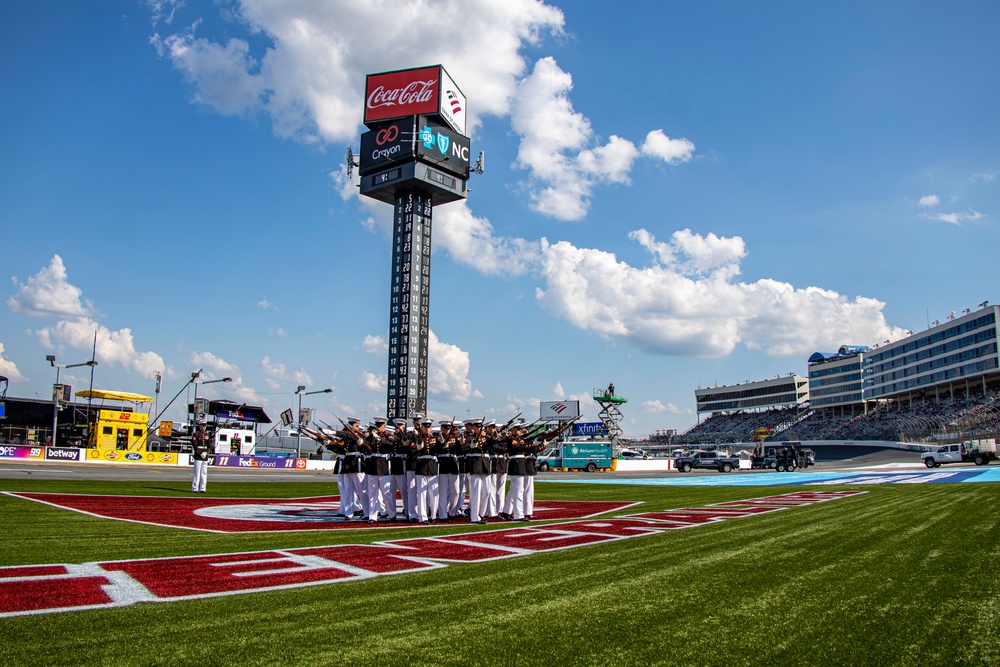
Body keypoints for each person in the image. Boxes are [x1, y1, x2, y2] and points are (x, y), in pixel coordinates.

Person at [191, 423, 211, 493]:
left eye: (205, 426)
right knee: (197, 472)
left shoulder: (207, 435)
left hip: (205, 455)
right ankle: (195, 488)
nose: (204, 428)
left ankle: (203, 488)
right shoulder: (196, 434)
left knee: (204, 473)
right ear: (200, 427)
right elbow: (194, 444)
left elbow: (210, 445)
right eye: (202, 426)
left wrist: (206, 452)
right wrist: (199, 453)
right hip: (198, 455)